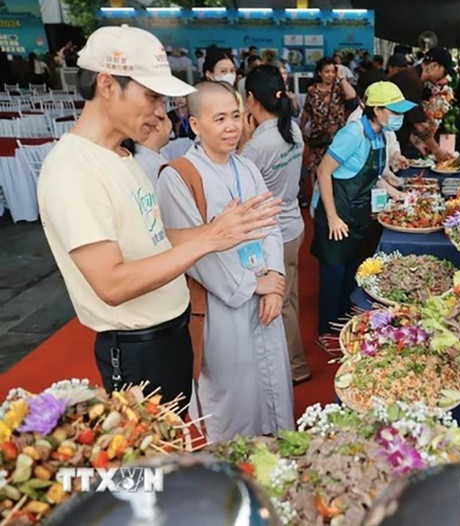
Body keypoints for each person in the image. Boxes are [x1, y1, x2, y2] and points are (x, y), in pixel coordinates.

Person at [36, 25, 281, 406]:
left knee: (175, 445)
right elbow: (112, 284)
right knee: (149, 459)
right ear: (107, 85)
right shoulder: (73, 170)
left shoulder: (122, 157)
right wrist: (209, 238)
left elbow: (154, 238)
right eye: (150, 95)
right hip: (137, 348)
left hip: (170, 332)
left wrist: (217, 230)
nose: (158, 111)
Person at [157, 81, 294, 440]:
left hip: (265, 296)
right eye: (219, 119)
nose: (232, 126)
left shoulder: (246, 167)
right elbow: (194, 254)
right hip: (223, 306)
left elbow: (271, 225)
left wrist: (275, 281)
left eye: (236, 116)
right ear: (195, 124)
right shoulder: (178, 176)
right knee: (233, 401)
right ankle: (236, 476)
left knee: (274, 392)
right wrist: (252, 285)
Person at [310, 81, 416, 346]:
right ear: (377, 110)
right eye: (395, 111)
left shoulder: (378, 136)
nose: (399, 117)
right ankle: (326, 329)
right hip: (338, 209)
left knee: (351, 272)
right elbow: (323, 172)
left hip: (358, 211)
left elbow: (375, 176)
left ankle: (345, 323)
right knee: (334, 273)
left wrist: (400, 196)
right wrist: (333, 217)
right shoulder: (354, 133)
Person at [242, 66, 311, 384]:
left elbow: (241, 186)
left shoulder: (257, 147)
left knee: (278, 305)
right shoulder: (293, 130)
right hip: (293, 227)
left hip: (272, 237)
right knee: (289, 300)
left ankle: (295, 368)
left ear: (251, 99)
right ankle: (295, 364)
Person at [388, 47, 454, 161]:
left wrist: (416, 142)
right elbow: (420, 125)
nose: (445, 77)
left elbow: (408, 116)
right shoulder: (412, 81)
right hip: (388, 141)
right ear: (434, 66)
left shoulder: (411, 76)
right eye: (445, 71)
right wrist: (437, 151)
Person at [301, 57, 358, 187]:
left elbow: (352, 95)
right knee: (317, 169)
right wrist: (302, 127)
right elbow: (307, 111)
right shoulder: (312, 90)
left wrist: (342, 78)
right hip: (319, 136)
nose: (330, 75)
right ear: (319, 73)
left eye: (333, 71)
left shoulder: (339, 88)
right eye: (327, 71)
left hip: (337, 137)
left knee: (336, 168)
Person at [131, 112, 172, 186]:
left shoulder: (139, 159)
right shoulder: (153, 169)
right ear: (157, 125)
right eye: (167, 118)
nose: (170, 124)